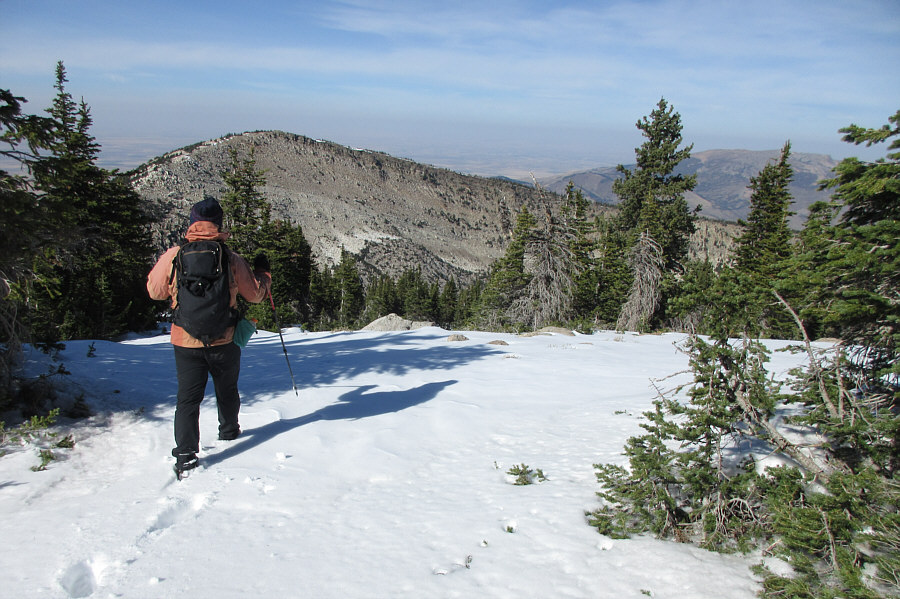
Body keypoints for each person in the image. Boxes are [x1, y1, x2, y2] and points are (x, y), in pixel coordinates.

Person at [147, 198, 271, 476]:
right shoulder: (230, 258)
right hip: (224, 338)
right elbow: (255, 294)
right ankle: (228, 431)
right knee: (226, 389)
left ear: (192, 223)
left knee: (187, 399)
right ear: (219, 224)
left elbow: (155, 292)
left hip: (184, 339)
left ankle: (186, 454)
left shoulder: (175, 255)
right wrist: (264, 274)